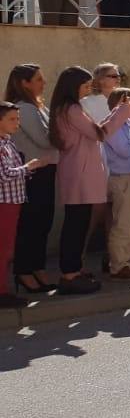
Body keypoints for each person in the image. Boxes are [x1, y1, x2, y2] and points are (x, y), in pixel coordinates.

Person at [50, 66, 130, 294]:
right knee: (75, 223)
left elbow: (96, 129)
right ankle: (69, 274)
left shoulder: (70, 107)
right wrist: (120, 113)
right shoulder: (72, 108)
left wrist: (116, 112)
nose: (89, 88)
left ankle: (75, 269)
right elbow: (99, 133)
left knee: (80, 221)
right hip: (80, 171)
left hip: (81, 170)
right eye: (85, 85)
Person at [6, 66, 57, 293]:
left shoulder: (38, 106)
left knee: (43, 223)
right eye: (38, 79)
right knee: (31, 224)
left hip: (45, 170)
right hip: (32, 172)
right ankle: (24, 270)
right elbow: (45, 140)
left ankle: (37, 267)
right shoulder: (24, 108)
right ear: (24, 83)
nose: (43, 83)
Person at [0, 101, 45, 308]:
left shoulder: (8, 142)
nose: (16, 123)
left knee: (8, 249)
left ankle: (4, 289)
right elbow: (5, 174)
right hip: (4, 203)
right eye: (11, 119)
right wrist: (28, 167)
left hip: (14, 201)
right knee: (3, 249)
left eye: (17, 119)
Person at [102, 87, 130, 279]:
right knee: (124, 223)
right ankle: (118, 264)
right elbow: (125, 150)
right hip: (122, 178)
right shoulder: (113, 126)